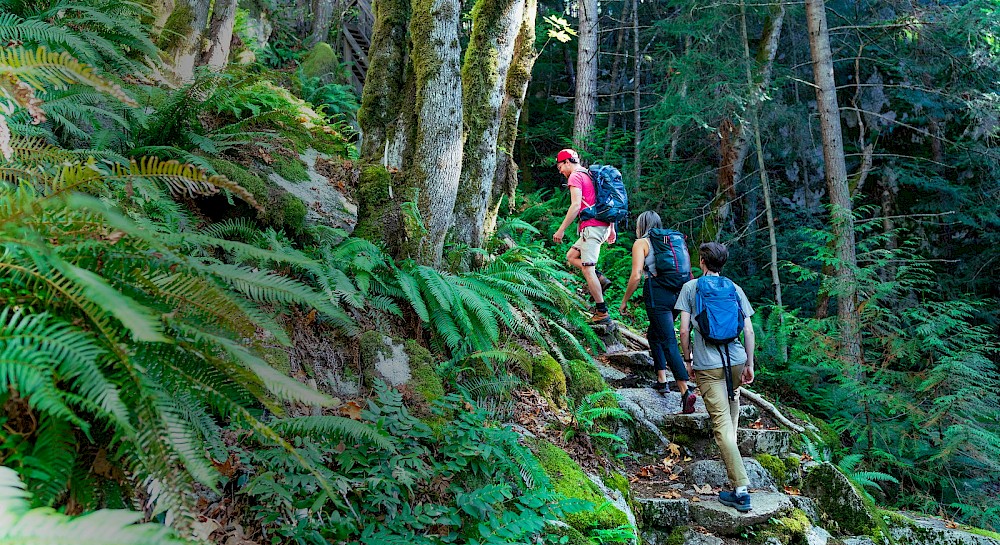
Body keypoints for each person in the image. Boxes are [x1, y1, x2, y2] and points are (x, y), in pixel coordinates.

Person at [675, 242, 756, 512]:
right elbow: (749, 330)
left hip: (708, 364)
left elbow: (684, 331)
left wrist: (687, 361)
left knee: (721, 425)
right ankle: (734, 469)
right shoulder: (734, 288)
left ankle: (741, 489)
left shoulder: (691, 288)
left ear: (702, 261)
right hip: (736, 360)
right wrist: (750, 363)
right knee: (731, 413)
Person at [618, 211, 697, 413]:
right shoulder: (670, 241)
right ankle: (661, 379)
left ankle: (684, 390)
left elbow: (636, 275)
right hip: (678, 293)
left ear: (640, 225)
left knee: (668, 339)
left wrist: (625, 300)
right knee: (654, 334)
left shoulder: (641, 243)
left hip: (657, 294)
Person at [552, 148, 616, 324]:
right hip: (600, 226)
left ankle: (602, 312)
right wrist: (611, 228)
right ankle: (599, 278)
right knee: (571, 256)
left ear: (567, 162)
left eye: (560, 167)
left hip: (592, 228)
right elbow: (604, 201)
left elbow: (575, 206)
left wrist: (561, 229)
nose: (561, 172)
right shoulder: (589, 174)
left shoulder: (575, 176)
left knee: (588, 269)